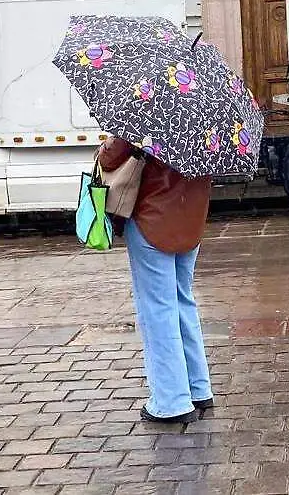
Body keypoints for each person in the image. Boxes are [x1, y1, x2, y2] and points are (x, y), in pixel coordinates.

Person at [99, 136, 214, 423]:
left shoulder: (148, 107)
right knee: (182, 300)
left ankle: (171, 402)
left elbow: (109, 159)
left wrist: (106, 144)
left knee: (157, 311)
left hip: (153, 220)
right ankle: (198, 388)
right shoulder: (207, 118)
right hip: (191, 219)